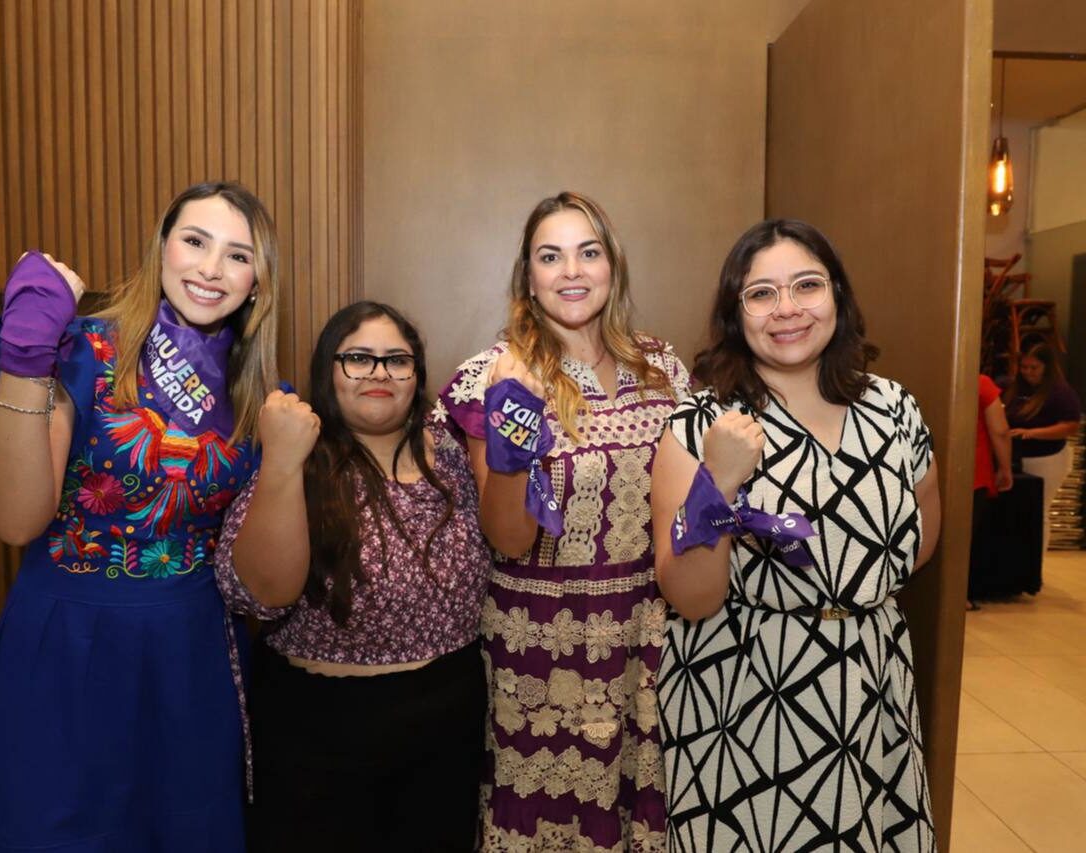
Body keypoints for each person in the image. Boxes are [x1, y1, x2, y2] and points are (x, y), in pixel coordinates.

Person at [0, 182, 280, 852]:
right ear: (161, 248)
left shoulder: (256, 394)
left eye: (238, 255)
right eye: (195, 241)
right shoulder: (83, 351)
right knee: (51, 827)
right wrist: (26, 357)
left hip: (191, 655)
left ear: (258, 282)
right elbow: (14, 520)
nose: (211, 268)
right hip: (67, 643)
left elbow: (262, 572)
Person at [653, 219, 940, 852]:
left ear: (837, 293)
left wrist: (848, 602)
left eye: (806, 285)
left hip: (873, 681)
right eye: (761, 293)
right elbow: (690, 597)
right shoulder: (698, 424)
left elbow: (920, 537)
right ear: (736, 313)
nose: (787, 309)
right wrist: (717, 484)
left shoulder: (894, 408)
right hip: (747, 692)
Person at [437, 191, 689, 851]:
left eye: (588, 252)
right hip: (537, 650)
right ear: (528, 277)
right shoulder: (494, 375)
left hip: (643, 643)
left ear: (613, 266)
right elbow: (507, 537)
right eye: (550, 256)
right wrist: (512, 429)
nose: (571, 271)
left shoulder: (662, 370)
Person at [214, 301, 494, 851]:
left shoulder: (456, 455)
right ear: (329, 370)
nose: (378, 373)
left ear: (417, 374)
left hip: (445, 724)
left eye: (397, 360)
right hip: (316, 734)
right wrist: (282, 462)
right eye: (359, 358)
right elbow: (258, 595)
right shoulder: (298, 454)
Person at [1003, 342, 1081, 552]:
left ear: (1047, 367)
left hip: (1048, 458)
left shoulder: (1060, 392)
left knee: (1039, 511)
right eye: (1024, 367)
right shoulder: (1014, 388)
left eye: (1034, 368)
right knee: (1018, 513)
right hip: (1018, 458)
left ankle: (1037, 562)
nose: (1028, 372)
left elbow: (1070, 426)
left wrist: (1032, 433)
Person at [967, 373, 1013, 606]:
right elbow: (1000, 430)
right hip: (973, 471)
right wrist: (1005, 468)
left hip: (932, 467)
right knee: (965, 538)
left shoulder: (934, 376)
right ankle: (958, 595)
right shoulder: (981, 384)